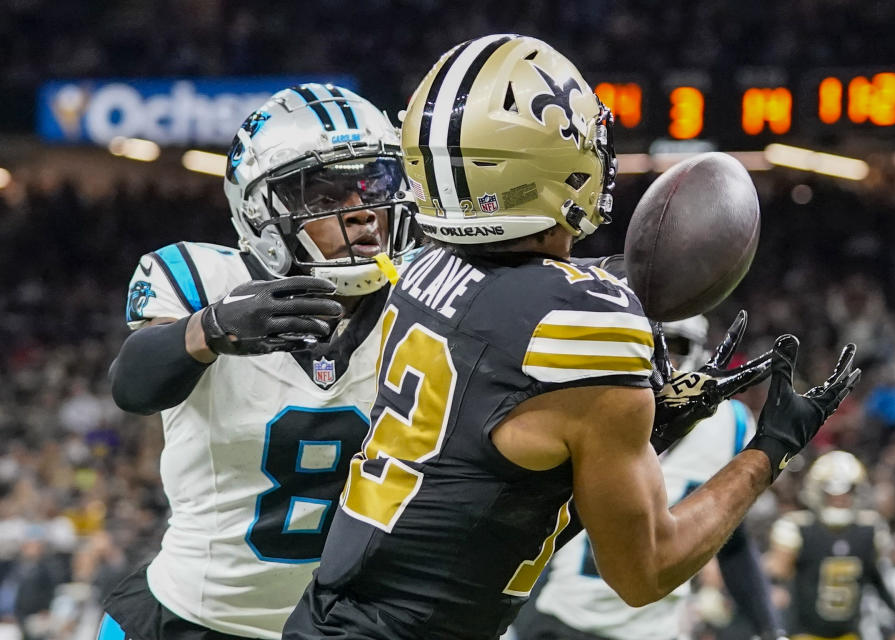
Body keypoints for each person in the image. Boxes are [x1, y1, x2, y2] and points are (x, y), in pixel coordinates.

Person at [283, 34, 859, 640]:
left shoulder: (420, 266)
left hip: (327, 615)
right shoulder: (584, 322)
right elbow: (645, 572)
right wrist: (768, 451)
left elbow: (495, 461)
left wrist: (648, 426)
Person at [100, 84, 417, 640]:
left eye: (373, 185)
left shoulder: (424, 292)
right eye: (325, 199)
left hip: (339, 627)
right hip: (187, 619)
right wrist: (211, 328)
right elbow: (133, 385)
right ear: (262, 211)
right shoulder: (202, 279)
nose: (364, 212)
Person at [520, 316, 786, 640]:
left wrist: (771, 629)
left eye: (674, 345)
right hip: (565, 621)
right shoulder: (591, 403)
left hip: (658, 629)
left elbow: (732, 543)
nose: (663, 358)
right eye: (652, 344)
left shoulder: (729, 424)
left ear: (699, 353)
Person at [766, 451, 895, 640]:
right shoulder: (798, 529)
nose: (839, 499)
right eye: (831, 493)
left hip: (849, 633)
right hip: (804, 633)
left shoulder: (868, 531)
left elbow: (877, 580)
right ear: (818, 492)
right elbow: (775, 579)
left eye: (846, 492)